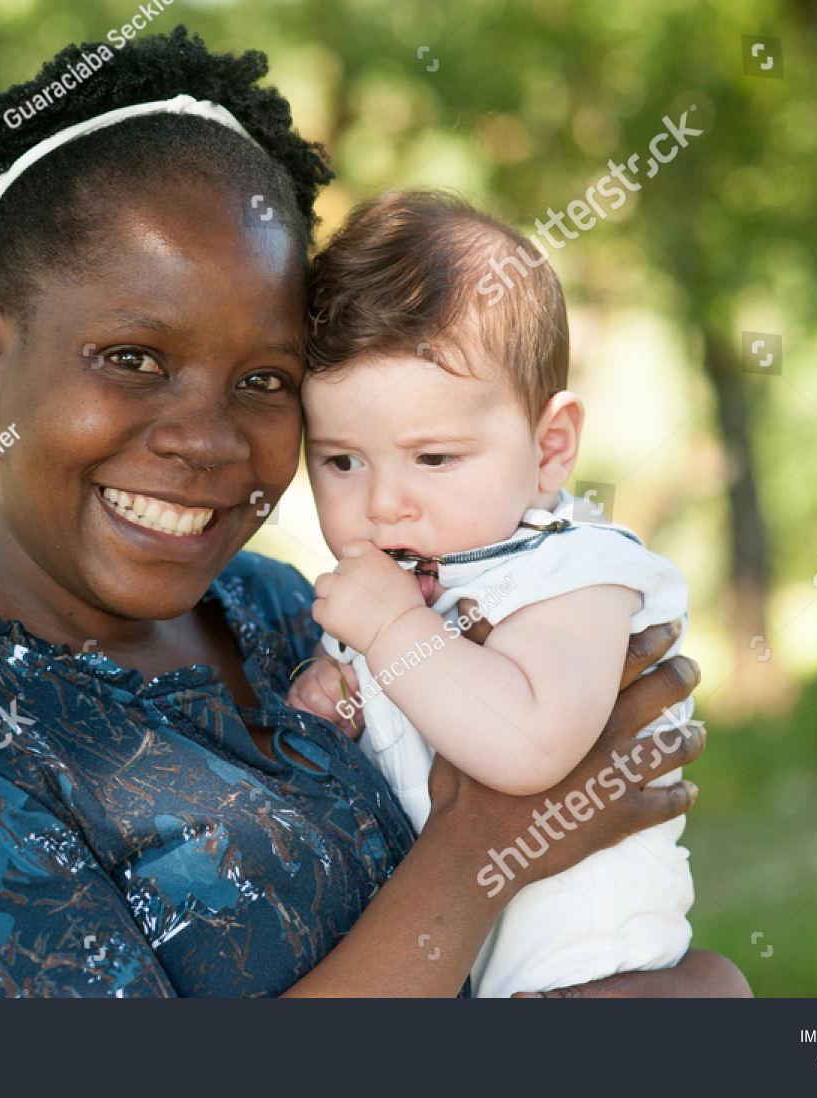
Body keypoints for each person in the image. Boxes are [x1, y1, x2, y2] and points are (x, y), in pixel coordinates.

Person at [0, 27, 747, 997]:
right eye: (134, 359)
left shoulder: (280, 611)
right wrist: (484, 849)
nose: (207, 441)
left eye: (266, 379)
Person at [286, 190, 695, 997]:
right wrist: (332, 701)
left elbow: (528, 746)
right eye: (341, 461)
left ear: (550, 449)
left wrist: (392, 633)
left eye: (433, 458)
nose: (382, 504)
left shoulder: (577, 574)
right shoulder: (402, 587)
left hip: (598, 983)